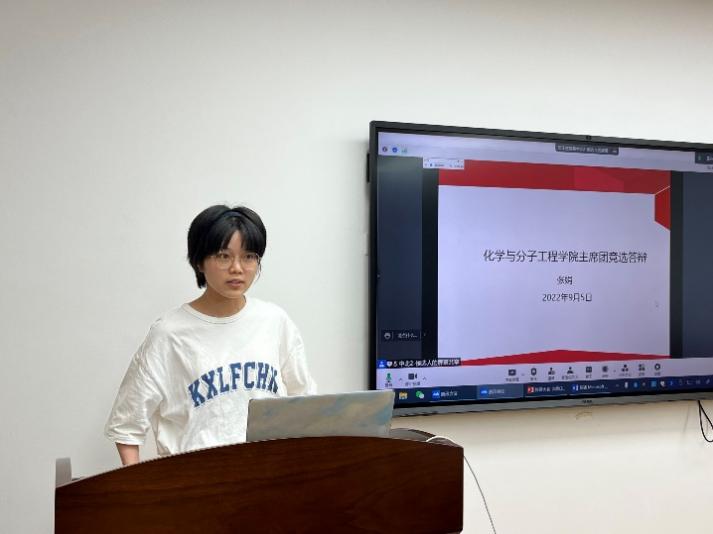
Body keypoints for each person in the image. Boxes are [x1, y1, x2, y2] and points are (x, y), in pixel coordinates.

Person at [104, 205, 316, 465]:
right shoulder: (169, 334)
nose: (237, 268)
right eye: (223, 256)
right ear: (199, 261)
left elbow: (305, 403)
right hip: (196, 481)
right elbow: (127, 425)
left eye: (249, 256)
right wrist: (137, 486)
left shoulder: (274, 321)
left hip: (268, 475)